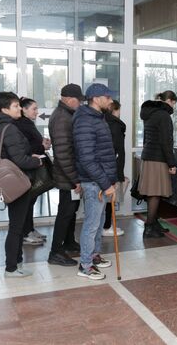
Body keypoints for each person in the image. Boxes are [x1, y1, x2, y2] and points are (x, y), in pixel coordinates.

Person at [0, 92, 43, 278]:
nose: (19, 109)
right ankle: (11, 267)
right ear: (4, 109)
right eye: (16, 106)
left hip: (10, 181)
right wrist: (36, 161)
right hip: (18, 181)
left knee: (15, 225)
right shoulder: (9, 128)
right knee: (16, 227)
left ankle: (16, 263)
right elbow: (20, 160)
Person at [73, 83, 117, 280]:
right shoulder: (85, 121)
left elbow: (103, 153)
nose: (110, 100)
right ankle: (85, 265)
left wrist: (110, 181)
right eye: (107, 97)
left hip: (100, 180)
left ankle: (93, 256)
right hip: (93, 181)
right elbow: (87, 158)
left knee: (98, 223)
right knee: (91, 225)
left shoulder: (97, 118)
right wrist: (105, 184)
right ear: (96, 98)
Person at [47, 84, 84, 267]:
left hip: (68, 176)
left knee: (70, 212)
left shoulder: (67, 114)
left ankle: (69, 243)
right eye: (79, 100)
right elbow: (63, 154)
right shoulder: (62, 118)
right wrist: (75, 179)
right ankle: (56, 251)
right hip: (67, 177)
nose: (80, 104)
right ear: (69, 99)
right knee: (65, 213)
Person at [138, 90, 177, 238]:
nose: (173, 107)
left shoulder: (150, 113)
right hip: (158, 158)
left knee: (153, 193)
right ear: (169, 101)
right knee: (155, 193)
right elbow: (166, 141)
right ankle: (149, 227)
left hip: (149, 156)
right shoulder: (163, 115)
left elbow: (146, 138)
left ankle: (153, 223)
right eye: (174, 103)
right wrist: (171, 163)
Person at [14, 97, 52, 246]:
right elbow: (28, 147)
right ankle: (25, 232)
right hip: (26, 168)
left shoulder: (27, 123)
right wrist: (42, 146)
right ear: (23, 109)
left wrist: (42, 143)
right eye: (34, 109)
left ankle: (29, 229)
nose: (37, 112)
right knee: (27, 201)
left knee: (31, 200)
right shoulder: (21, 124)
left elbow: (34, 142)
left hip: (32, 166)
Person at [103, 100, 126, 237]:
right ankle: (106, 226)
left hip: (106, 167)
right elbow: (117, 150)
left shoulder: (103, 122)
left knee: (107, 198)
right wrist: (118, 173)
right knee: (110, 198)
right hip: (112, 168)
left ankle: (106, 225)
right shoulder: (115, 125)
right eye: (119, 110)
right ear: (115, 110)